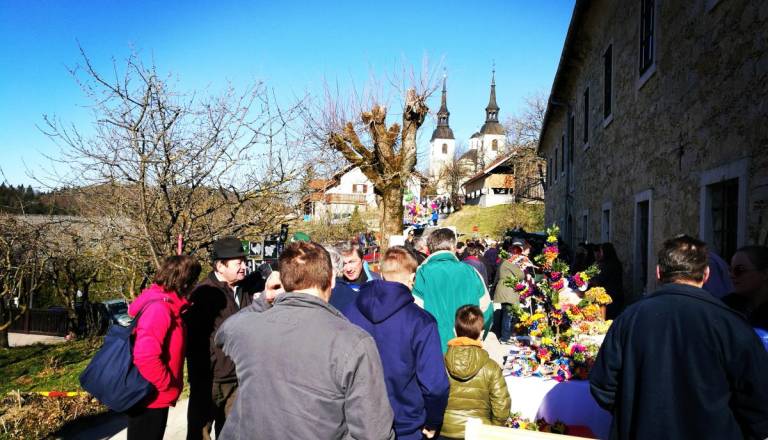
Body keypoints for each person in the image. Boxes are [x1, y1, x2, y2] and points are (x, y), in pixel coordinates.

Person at [590, 235, 768, 440]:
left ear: (658, 272)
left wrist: (635, 410)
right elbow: (758, 401)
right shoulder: (731, 323)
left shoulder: (629, 318)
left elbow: (603, 384)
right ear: (706, 274)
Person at [214, 241, 395, 439]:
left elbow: (226, 331)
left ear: (284, 280)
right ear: (332, 279)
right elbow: (373, 432)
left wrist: (264, 301)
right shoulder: (354, 342)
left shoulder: (249, 328)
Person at [343, 246, 449, 440]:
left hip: (359, 422)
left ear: (381, 274)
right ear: (412, 277)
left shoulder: (349, 312)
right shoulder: (421, 321)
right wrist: (433, 421)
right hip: (406, 424)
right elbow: (435, 385)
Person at [128, 255, 202, 440]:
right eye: (194, 279)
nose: (195, 285)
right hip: (151, 396)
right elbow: (145, 356)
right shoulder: (160, 309)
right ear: (184, 281)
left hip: (153, 394)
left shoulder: (167, 304)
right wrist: (166, 385)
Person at [185, 237, 252, 440]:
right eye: (238, 262)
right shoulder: (203, 294)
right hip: (210, 381)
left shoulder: (244, 288)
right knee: (200, 433)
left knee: (232, 433)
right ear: (220, 266)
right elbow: (194, 340)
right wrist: (210, 369)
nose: (244, 267)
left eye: (244, 261)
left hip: (238, 377)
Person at [413, 228, 493, 353]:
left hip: (433, 349)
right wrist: (477, 338)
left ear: (430, 248)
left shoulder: (421, 273)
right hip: (467, 348)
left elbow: (415, 314)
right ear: (453, 247)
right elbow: (487, 311)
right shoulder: (471, 272)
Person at [440, 305, 511, 439]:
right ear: (481, 332)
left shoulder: (439, 363)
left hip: (444, 431)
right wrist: (491, 430)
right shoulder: (491, 367)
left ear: (455, 331)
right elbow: (502, 407)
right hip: (479, 432)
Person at [492, 238, 531, 343]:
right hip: (508, 292)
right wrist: (522, 267)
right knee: (508, 315)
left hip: (505, 291)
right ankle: (505, 338)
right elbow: (521, 275)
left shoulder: (505, 261)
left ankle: (504, 335)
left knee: (506, 313)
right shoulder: (510, 263)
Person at [722, 245, 768, 330]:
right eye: (730, 270)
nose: (732, 275)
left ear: (765, 273)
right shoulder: (727, 306)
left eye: (740, 270)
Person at [592, 242, 624, 319]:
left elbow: (599, 280)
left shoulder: (606, 265)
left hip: (608, 296)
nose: (600, 254)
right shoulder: (616, 263)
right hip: (617, 295)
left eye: (601, 251)